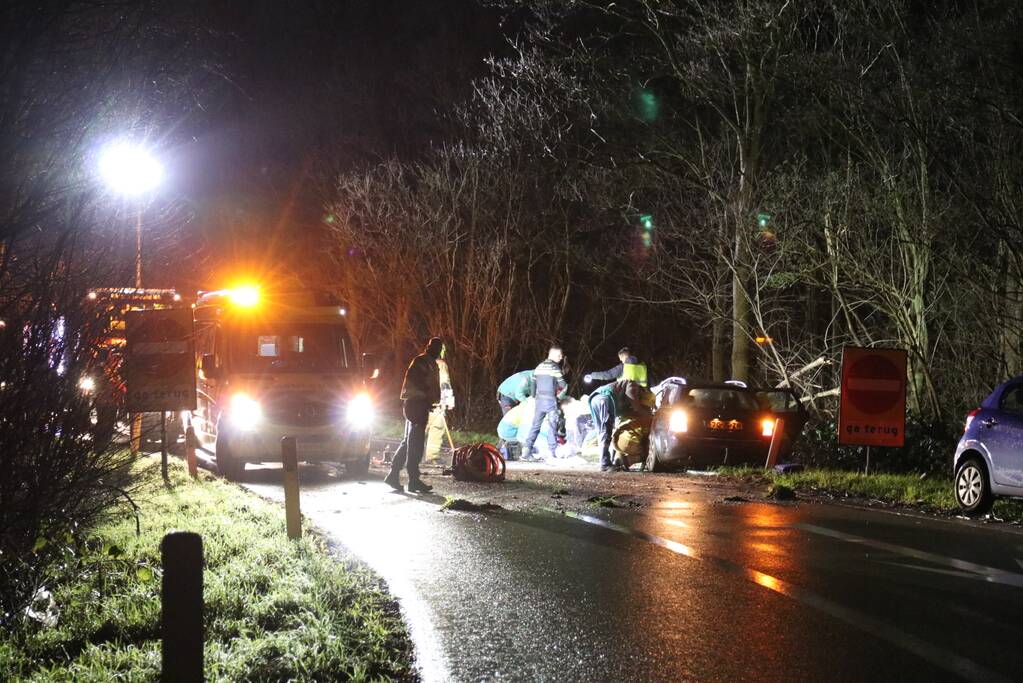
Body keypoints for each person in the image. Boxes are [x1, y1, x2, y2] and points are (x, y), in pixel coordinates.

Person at [385, 337, 444, 493]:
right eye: (437, 348)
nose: (438, 352)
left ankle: (393, 474)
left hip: (418, 404)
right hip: (416, 405)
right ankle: (413, 480)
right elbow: (418, 381)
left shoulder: (429, 362)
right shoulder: (423, 362)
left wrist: (430, 400)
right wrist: (427, 395)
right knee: (416, 443)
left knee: (409, 442)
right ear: (431, 348)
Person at [588, 379, 651, 471]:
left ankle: (610, 461)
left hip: (597, 398)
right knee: (605, 431)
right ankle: (604, 464)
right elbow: (636, 405)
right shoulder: (633, 385)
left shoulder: (624, 399)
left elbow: (627, 412)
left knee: (604, 432)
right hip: (604, 398)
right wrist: (648, 415)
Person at [520, 345, 568, 462]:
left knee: (535, 426)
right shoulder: (555, 368)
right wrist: (559, 397)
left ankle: (526, 453)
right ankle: (552, 453)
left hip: (539, 401)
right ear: (553, 354)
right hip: (551, 401)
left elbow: (533, 384)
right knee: (553, 426)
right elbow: (564, 385)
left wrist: (532, 397)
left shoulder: (538, 367)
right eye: (560, 355)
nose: (561, 357)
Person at [424, 347, 456, 463]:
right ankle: (432, 457)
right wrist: (448, 402)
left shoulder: (419, 362)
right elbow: (445, 383)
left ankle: (409, 455)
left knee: (418, 428)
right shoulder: (441, 364)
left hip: (419, 402)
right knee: (437, 427)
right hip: (435, 403)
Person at [584, 347, 649, 387]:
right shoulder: (642, 366)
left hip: (626, 396)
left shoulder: (623, 367)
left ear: (624, 357)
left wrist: (592, 376)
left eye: (620, 358)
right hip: (642, 393)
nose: (620, 360)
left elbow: (608, 375)